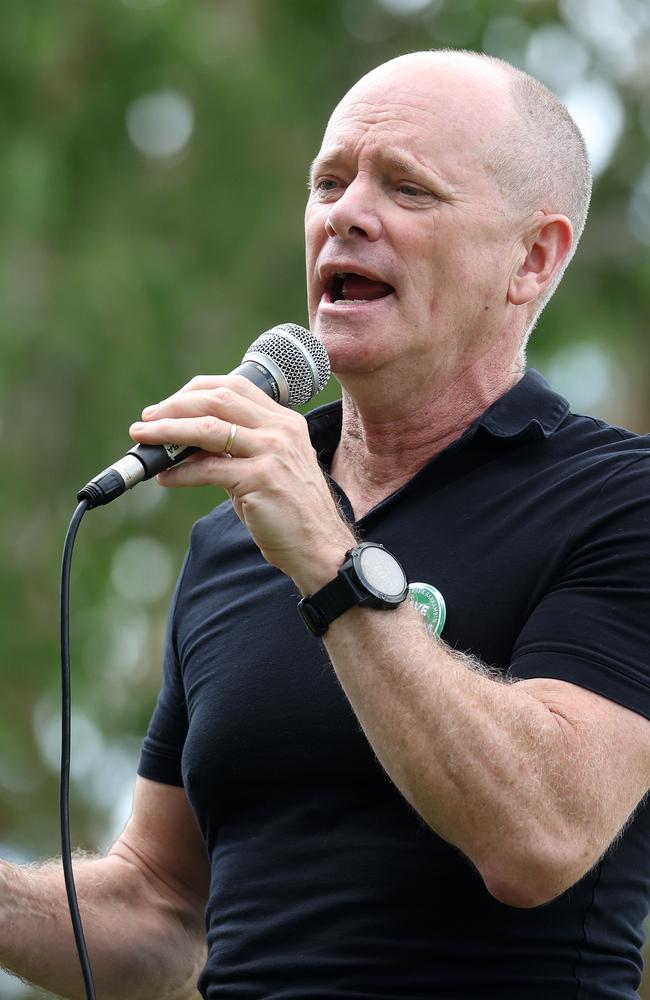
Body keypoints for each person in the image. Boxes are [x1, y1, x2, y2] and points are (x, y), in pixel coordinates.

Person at [2, 48, 650, 1000]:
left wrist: (325, 553)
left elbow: (540, 836)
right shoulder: (234, 534)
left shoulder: (619, 498)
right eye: (329, 181)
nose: (345, 213)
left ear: (533, 258)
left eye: (408, 189)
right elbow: (162, 910)